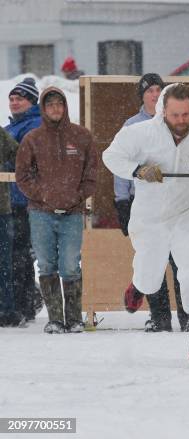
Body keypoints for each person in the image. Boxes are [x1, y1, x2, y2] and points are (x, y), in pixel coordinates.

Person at [103, 83, 189, 364]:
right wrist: (138, 171)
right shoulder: (140, 133)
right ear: (164, 111)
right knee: (151, 277)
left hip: (186, 214)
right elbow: (111, 156)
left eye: (186, 114)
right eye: (175, 115)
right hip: (150, 217)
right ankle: (139, 286)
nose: (181, 121)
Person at [15, 87, 98, 334]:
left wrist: (77, 195)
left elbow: (92, 174)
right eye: (49, 104)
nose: (55, 109)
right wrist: (43, 195)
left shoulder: (82, 136)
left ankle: (73, 319)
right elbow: (22, 176)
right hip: (40, 213)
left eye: (59, 104)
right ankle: (54, 319)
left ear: (65, 107)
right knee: (46, 264)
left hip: (72, 213)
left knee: (70, 264)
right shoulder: (32, 139)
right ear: (43, 108)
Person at [113, 73, 188, 332]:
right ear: (142, 96)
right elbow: (120, 165)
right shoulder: (132, 126)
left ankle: (188, 315)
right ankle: (160, 317)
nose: (155, 94)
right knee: (152, 259)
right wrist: (122, 202)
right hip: (145, 202)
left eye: (159, 89)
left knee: (182, 261)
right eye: (150, 90)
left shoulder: (176, 121)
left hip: (177, 201)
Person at [4, 77, 42, 322]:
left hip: (23, 201)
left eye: (20, 99)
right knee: (13, 255)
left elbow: (19, 158)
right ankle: (20, 301)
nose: (14, 103)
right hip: (9, 201)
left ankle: (25, 304)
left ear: (32, 101)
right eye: (12, 99)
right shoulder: (12, 126)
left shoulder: (34, 126)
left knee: (20, 257)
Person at [0, 128, 19, 326]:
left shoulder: (0, 135)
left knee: (4, 263)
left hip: (1, 208)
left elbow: (20, 156)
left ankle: (5, 310)